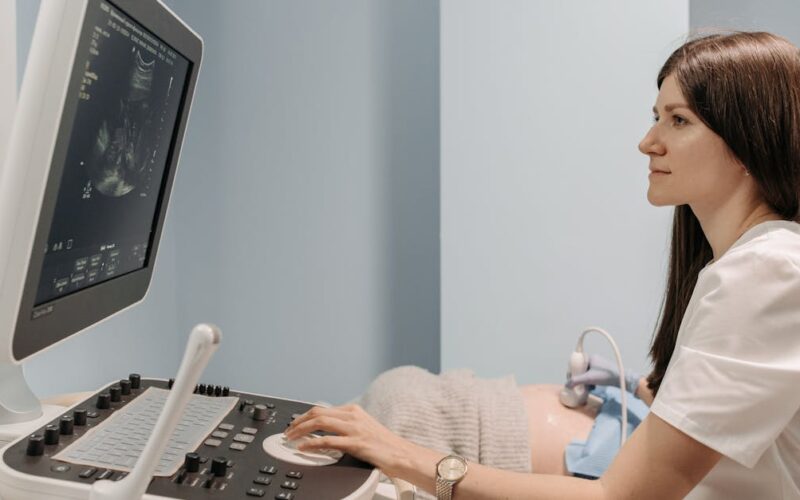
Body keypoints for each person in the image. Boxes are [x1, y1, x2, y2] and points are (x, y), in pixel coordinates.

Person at [286, 31, 800, 499]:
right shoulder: (752, 265)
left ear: (747, 141)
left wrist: (403, 454)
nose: (648, 142)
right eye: (656, 115)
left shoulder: (766, 272)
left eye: (678, 120)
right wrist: (644, 388)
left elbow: (620, 498)